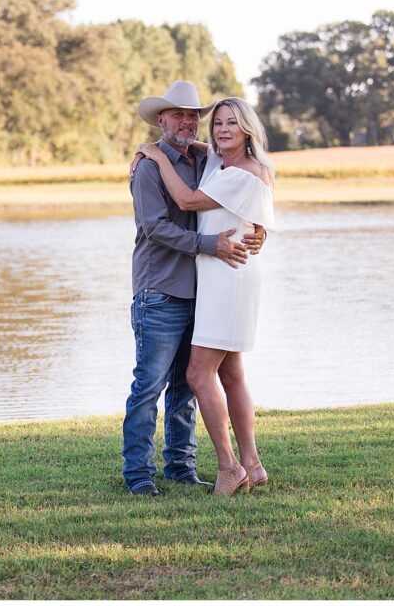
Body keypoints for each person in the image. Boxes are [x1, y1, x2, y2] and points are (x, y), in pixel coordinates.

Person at [123, 81, 266, 496]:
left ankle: (181, 468)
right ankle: (138, 476)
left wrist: (256, 231)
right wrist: (212, 245)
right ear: (160, 120)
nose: (187, 121)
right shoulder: (149, 167)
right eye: (177, 114)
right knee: (149, 387)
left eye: (193, 115)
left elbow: (238, 195)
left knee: (188, 387)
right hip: (160, 290)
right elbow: (156, 227)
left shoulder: (203, 162)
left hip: (202, 291)